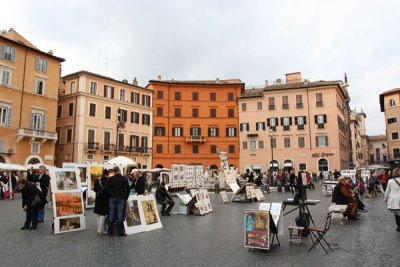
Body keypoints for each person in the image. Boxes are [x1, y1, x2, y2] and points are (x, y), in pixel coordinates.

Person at [107, 166, 130, 236]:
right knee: (120, 215)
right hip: (121, 198)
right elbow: (128, 189)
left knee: (111, 214)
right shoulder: (124, 178)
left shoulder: (110, 178)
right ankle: (120, 232)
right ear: (119, 170)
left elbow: (107, 189)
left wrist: (111, 194)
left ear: (113, 172)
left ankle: (110, 232)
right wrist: (125, 198)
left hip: (112, 198)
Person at [93, 169, 109, 235]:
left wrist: (98, 192)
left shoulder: (97, 180)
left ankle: (98, 229)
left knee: (98, 214)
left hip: (98, 198)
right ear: (107, 174)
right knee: (103, 214)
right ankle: (101, 230)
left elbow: (94, 189)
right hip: (104, 199)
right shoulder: (107, 180)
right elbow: (107, 190)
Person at [384, 168, 400, 232]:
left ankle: (398, 226)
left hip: (394, 199)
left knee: (397, 214)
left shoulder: (390, 181)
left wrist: (385, 198)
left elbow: (387, 191)